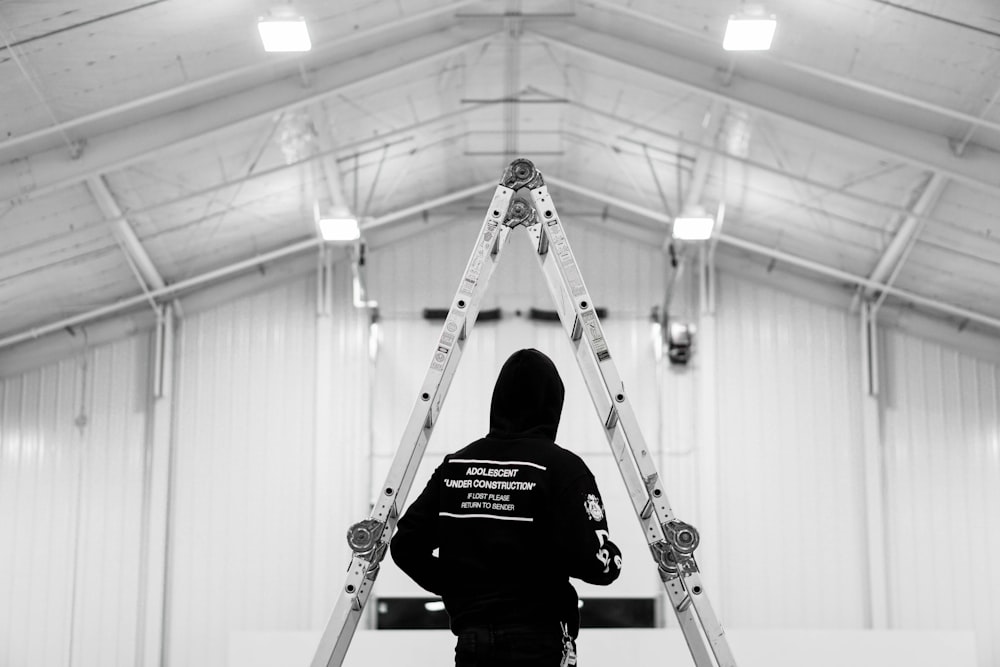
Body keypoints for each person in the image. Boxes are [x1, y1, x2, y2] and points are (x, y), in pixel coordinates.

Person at [391, 348, 622, 667]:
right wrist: (612, 557)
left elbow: (406, 546)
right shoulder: (561, 469)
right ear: (553, 405)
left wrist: (462, 589)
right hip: (539, 642)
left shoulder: (456, 467)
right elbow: (597, 565)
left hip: (473, 641)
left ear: (497, 401)